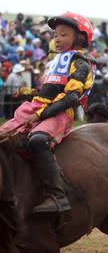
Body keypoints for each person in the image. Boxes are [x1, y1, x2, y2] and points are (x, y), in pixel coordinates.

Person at [0, 12, 96, 214]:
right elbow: (49, 91)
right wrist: (28, 93)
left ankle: (58, 196)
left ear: (79, 38)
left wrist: (41, 114)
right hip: (36, 109)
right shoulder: (58, 60)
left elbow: (71, 98)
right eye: (56, 35)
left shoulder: (81, 62)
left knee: (37, 140)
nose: (58, 39)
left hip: (60, 114)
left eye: (64, 35)